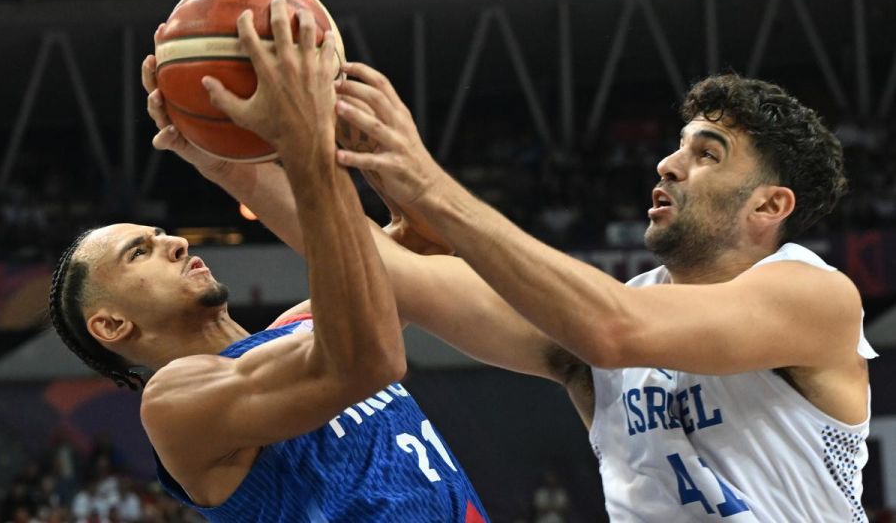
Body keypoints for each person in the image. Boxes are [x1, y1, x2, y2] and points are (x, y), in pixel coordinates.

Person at [324, 64, 877, 522]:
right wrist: (274, 158)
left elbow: (615, 329)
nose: (668, 164)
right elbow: (396, 273)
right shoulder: (605, 327)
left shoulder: (815, 296)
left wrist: (427, 183)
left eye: (708, 154)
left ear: (768, 206)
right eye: (679, 147)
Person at [50, 0, 487, 522]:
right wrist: (307, 152)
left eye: (162, 234)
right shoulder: (174, 403)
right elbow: (365, 359)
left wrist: (366, 143)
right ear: (112, 323)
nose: (177, 244)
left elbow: (426, 248)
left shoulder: (301, 330)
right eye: (139, 252)